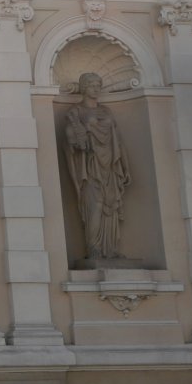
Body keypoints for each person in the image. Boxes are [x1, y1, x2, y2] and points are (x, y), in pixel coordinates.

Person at [63, 71, 130, 260]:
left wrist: (124, 166)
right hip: (90, 168)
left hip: (109, 166)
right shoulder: (76, 113)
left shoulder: (106, 112)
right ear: (84, 88)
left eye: (98, 85)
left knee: (111, 209)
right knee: (96, 206)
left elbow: (118, 140)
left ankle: (109, 250)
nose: (96, 88)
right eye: (92, 85)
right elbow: (71, 140)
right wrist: (79, 136)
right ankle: (93, 248)